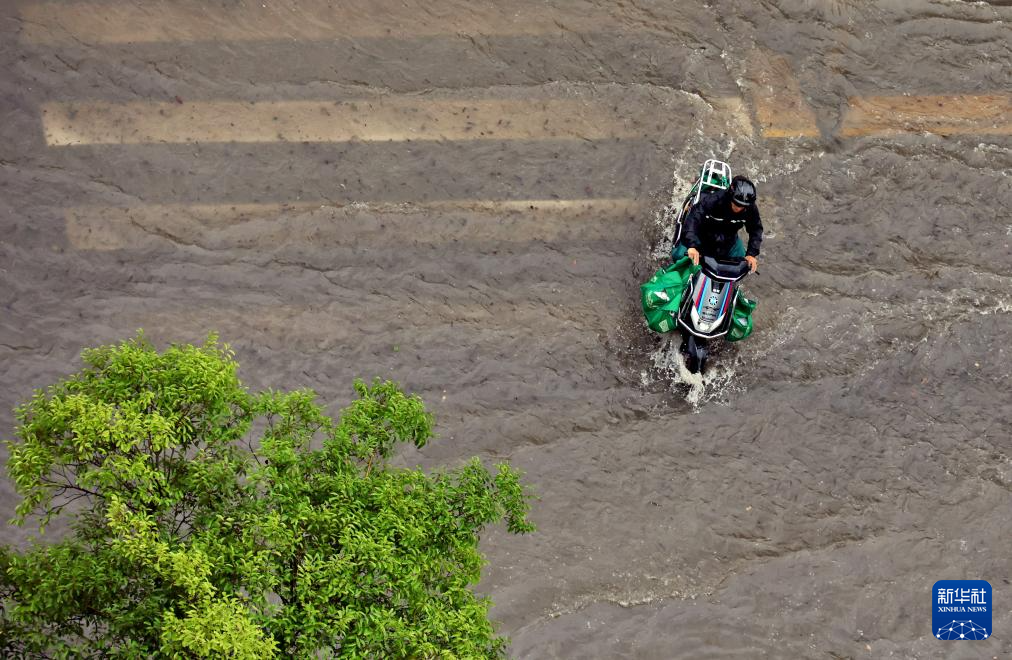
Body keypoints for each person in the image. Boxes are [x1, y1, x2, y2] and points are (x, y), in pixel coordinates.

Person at [671, 175, 763, 273]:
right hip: (702, 237)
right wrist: (692, 246)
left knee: (743, 266)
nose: (739, 208)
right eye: (737, 204)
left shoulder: (750, 208)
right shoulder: (712, 201)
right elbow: (693, 219)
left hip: (729, 240)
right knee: (678, 256)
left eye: (743, 206)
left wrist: (751, 254)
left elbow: (756, 229)